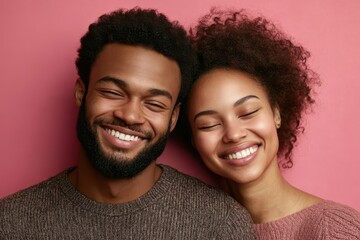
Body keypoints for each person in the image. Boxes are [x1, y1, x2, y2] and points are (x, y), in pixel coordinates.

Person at [0, 8, 257, 239]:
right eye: (112, 93)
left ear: (174, 118)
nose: (130, 115)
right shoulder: (10, 223)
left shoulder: (220, 226)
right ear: (81, 92)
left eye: (154, 104)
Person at [183, 8, 360, 239]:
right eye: (208, 124)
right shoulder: (194, 229)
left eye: (248, 112)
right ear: (194, 139)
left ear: (276, 113)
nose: (234, 134)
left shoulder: (333, 229)